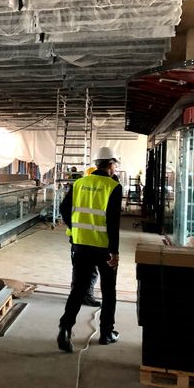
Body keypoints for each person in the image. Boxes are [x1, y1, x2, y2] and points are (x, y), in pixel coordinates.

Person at [57, 146, 123, 353]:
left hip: (81, 245)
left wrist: (74, 228)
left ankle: (65, 328)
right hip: (103, 247)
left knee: (78, 289)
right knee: (109, 291)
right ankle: (106, 333)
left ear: (96, 164)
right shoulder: (113, 186)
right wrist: (115, 251)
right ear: (111, 165)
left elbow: (63, 209)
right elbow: (113, 222)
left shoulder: (79, 183)